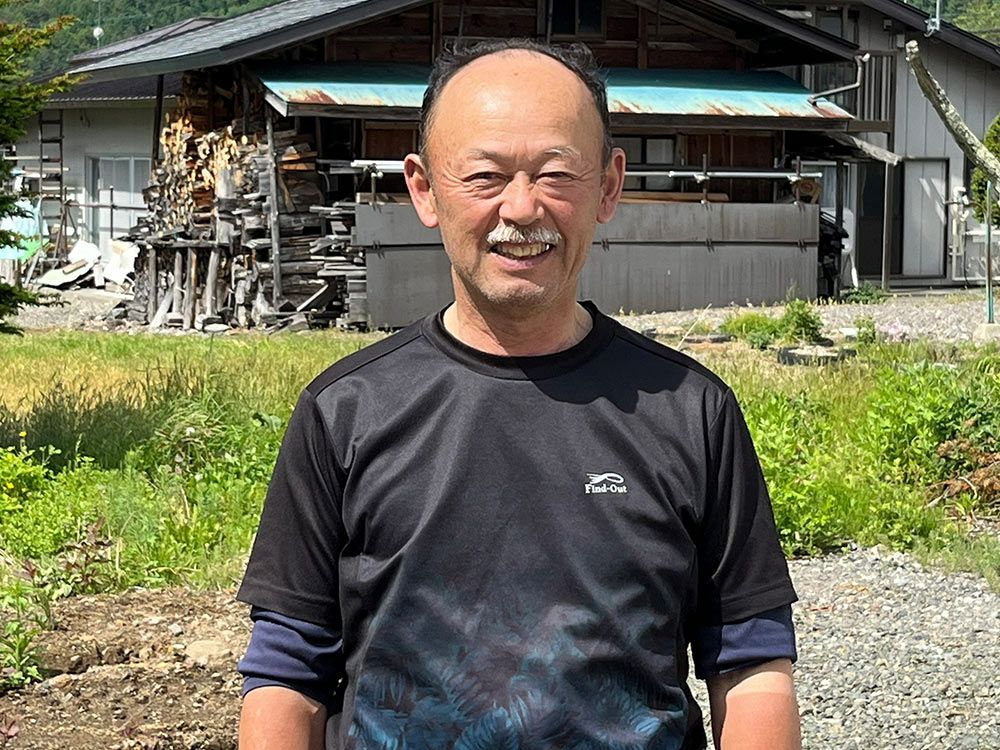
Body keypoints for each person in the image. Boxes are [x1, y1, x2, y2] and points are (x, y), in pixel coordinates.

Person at [237, 40, 801, 750]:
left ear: (608, 187)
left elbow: (751, 664)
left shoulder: (690, 410)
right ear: (423, 189)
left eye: (557, 173)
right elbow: (288, 673)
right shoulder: (345, 413)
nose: (522, 207)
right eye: (485, 175)